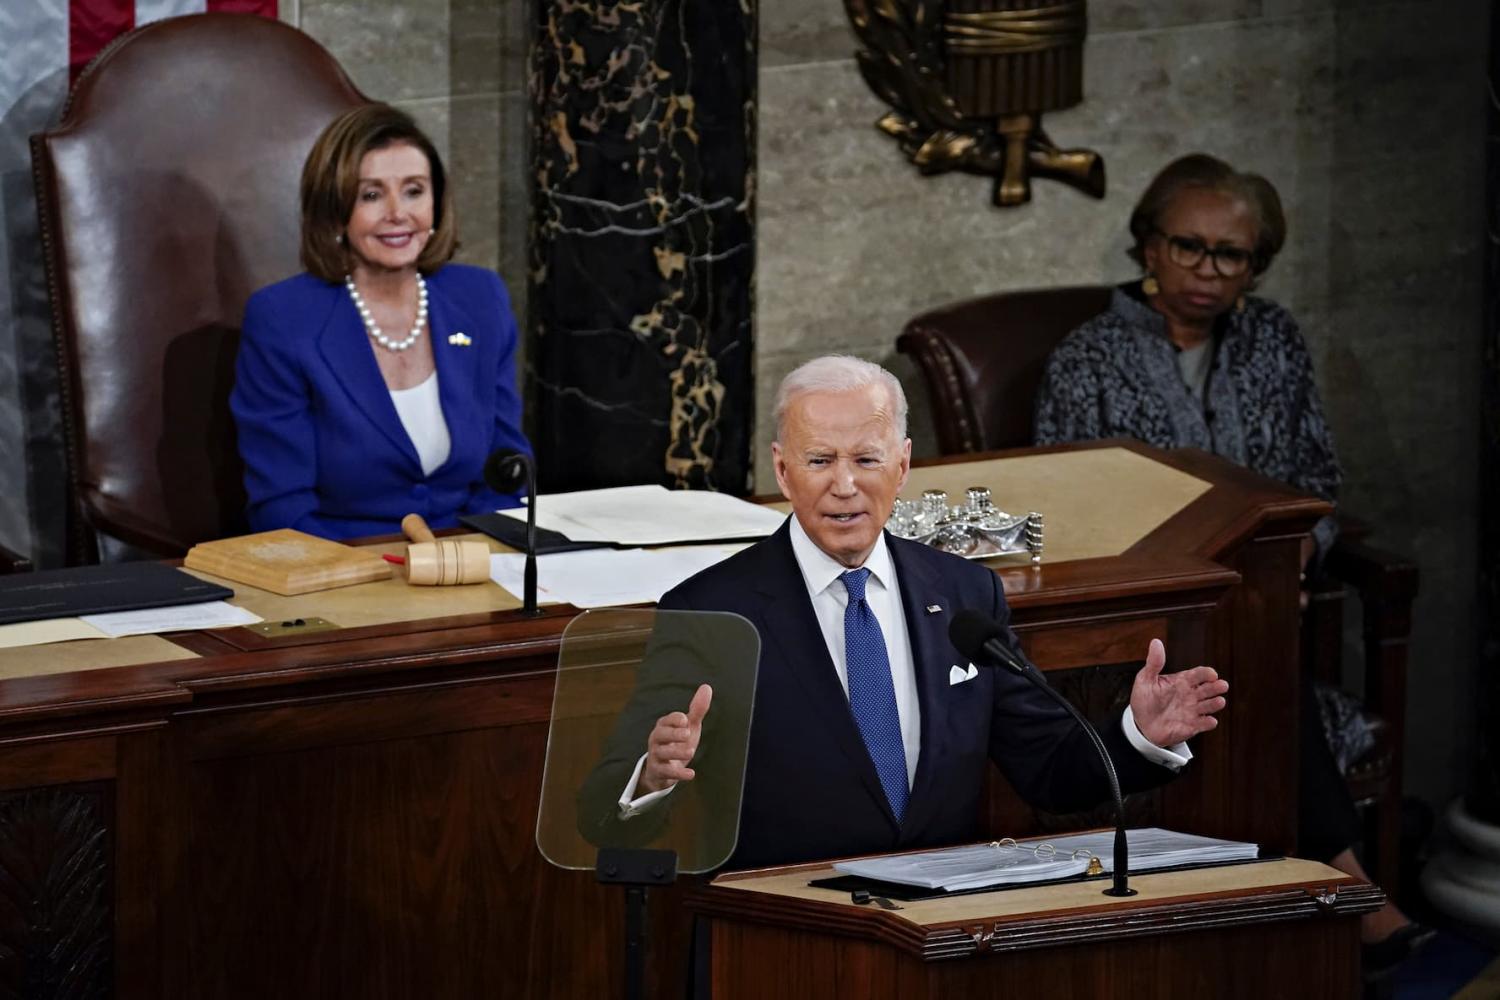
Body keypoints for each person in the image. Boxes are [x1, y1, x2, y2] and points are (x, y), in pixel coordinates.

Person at [580, 355, 1228, 871]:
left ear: (903, 464)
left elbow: (1050, 772)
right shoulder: (713, 611)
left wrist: (1138, 733)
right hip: (786, 945)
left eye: (866, 459)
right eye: (819, 461)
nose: (844, 485)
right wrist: (651, 773)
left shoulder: (967, 595)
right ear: (782, 470)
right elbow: (602, 812)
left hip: (942, 943)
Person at [1033, 153, 1429, 968]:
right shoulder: (1088, 354)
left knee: (1254, 658)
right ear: (1148, 247)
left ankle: (1317, 907)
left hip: (1269, 604)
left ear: (1256, 263)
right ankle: (1349, 891)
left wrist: (1296, 567)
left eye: (1232, 255)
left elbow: (1314, 478)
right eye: (1188, 247)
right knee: (1244, 663)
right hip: (1147, 611)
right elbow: (1066, 499)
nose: (1208, 271)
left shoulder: (1274, 340)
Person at [231, 104, 530, 540]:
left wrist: (476, 563)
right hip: (343, 570)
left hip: (469, 563)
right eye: (371, 195)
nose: (397, 213)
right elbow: (282, 508)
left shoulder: (480, 297)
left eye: (414, 191)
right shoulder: (283, 318)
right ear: (335, 210)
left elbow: (504, 474)